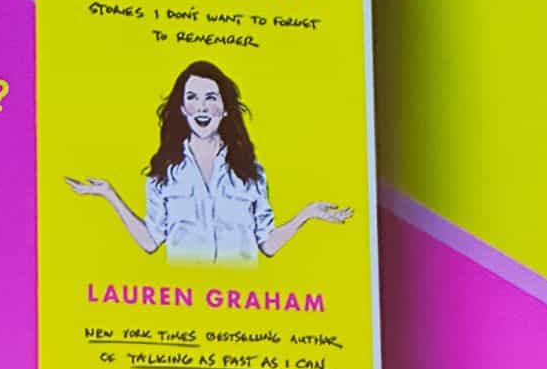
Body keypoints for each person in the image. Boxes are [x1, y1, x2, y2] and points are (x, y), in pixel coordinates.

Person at [66, 60, 351, 265]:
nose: (202, 106)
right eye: (192, 97)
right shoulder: (164, 172)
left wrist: (308, 214)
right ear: (182, 108)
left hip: (243, 300)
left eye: (211, 98)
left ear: (225, 109)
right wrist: (108, 194)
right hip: (184, 300)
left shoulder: (251, 172)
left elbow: (267, 244)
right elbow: (151, 241)